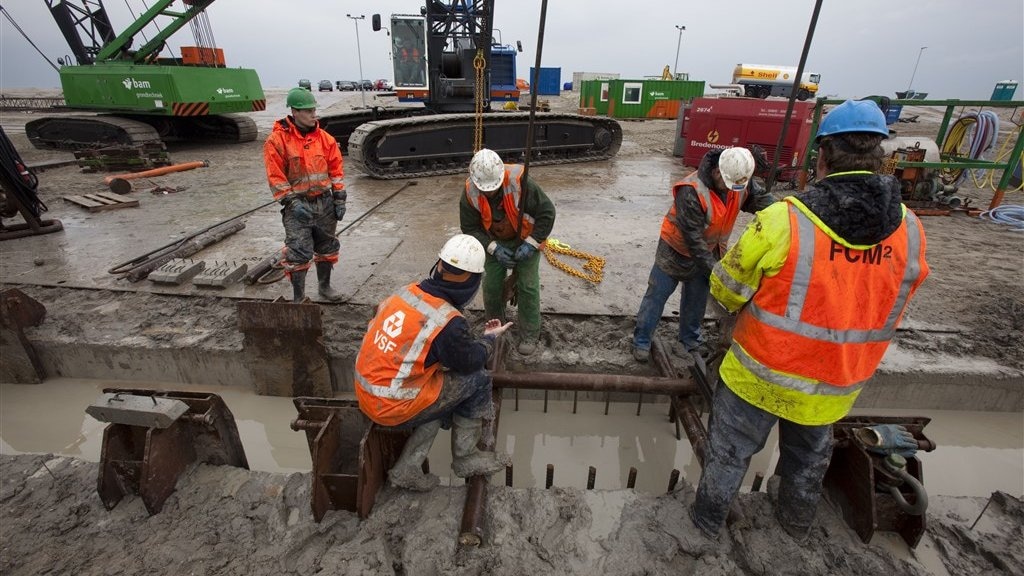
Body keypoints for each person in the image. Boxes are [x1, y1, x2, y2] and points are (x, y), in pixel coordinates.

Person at [690, 99, 930, 541]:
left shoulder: (785, 220)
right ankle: (795, 526)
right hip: (836, 382)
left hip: (759, 375)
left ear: (821, 155)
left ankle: (705, 526)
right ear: (882, 157)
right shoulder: (911, 229)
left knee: (728, 455)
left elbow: (724, 291)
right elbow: (896, 297)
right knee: (807, 459)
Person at [354, 234, 513, 491]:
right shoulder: (447, 322)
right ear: (473, 282)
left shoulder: (405, 293)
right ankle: (466, 458)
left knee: (436, 396)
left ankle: (406, 469)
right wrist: (488, 340)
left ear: (438, 266)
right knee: (479, 381)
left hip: (367, 394)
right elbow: (470, 362)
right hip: (394, 406)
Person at [632, 147, 773, 365]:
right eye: (728, 185)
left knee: (697, 299)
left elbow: (762, 201)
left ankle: (689, 341)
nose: (732, 191)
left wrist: (784, 213)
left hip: (710, 250)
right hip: (676, 250)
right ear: (718, 172)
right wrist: (717, 272)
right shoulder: (692, 191)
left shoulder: (739, 180)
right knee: (657, 294)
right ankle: (642, 340)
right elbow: (693, 240)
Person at [460, 148, 557, 356]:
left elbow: (547, 213)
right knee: (491, 285)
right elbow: (469, 228)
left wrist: (531, 243)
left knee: (528, 285)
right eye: (484, 189)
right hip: (495, 242)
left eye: (492, 189)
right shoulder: (470, 191)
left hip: (525, 238)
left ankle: (530, 333)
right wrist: (493, 248)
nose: (489, 193)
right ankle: (495, 329)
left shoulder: (519, 181)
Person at [263, 87, 346, 302]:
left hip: (324, 203)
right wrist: (291, 202)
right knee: (298, 251)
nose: (313, 115)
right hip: (297, 206)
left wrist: (339, 198)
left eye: (314, 110)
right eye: (308, 111)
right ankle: (299, 297)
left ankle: (324, 288)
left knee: (327, 246)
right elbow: (276, 176)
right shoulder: (277, 141)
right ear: (295, 112)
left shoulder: (325, 139)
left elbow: (336, 170)